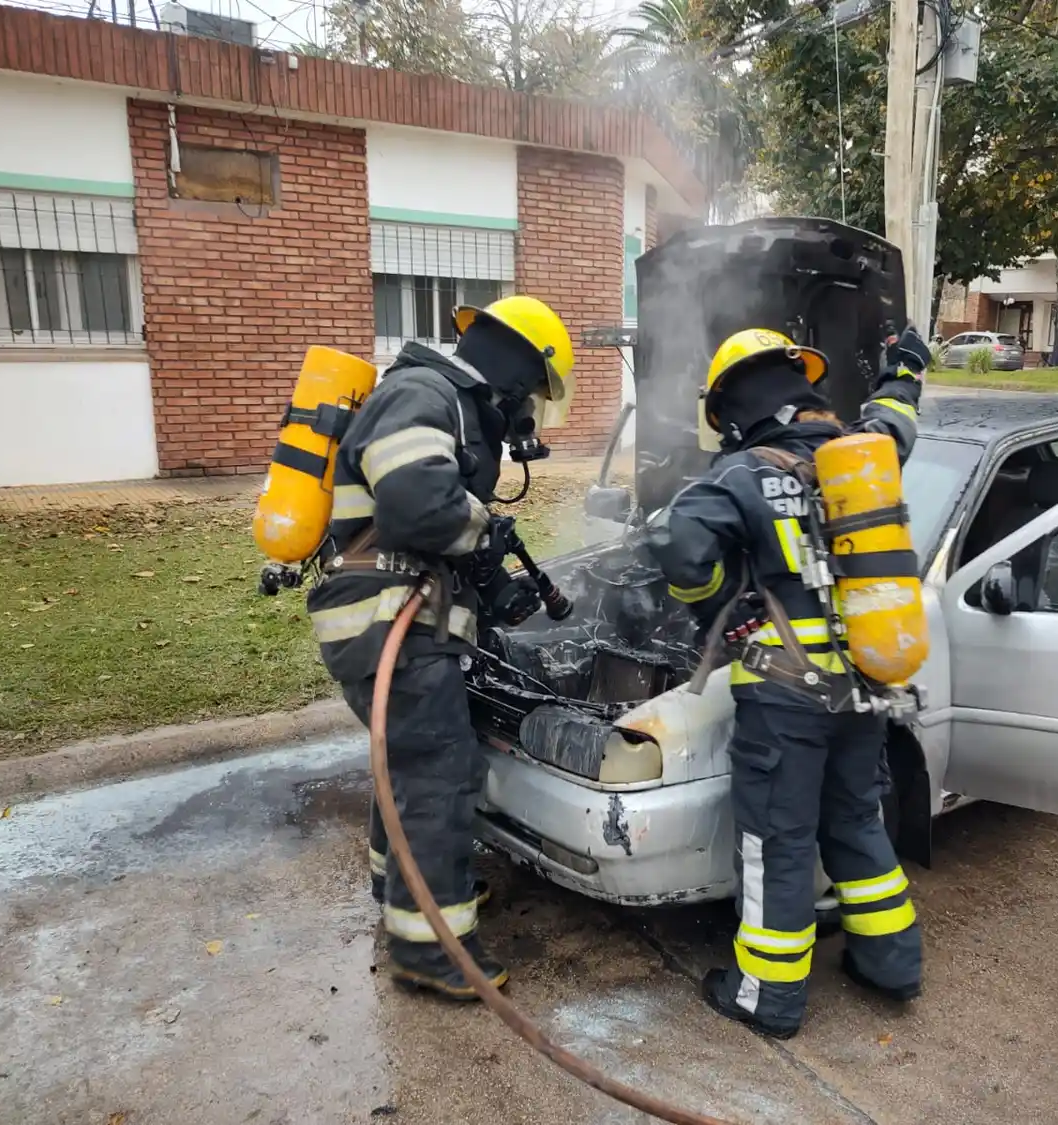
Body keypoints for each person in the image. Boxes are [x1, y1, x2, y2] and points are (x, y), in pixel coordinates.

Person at [643, 325, 929, 1039]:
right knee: (856, 822)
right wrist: (906, 367)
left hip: (783, 694)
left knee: (778, 841)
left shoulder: (739, 475)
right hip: (859, 687)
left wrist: (720, 604)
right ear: (800, 388)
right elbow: (896, 414)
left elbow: (681, 549)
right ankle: (891, 962)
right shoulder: (862, 454)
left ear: (734, 408)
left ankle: (766, 997)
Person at [307, 295, 574, 998]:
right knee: (437, 767)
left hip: (393, 612)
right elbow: (419, 505)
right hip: (385, 617)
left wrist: (492, 586)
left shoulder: (439, 397)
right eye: (534, 395)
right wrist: (484, 535)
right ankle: (431, 948)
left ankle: (402, 887)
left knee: (411, 758)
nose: (528, 414)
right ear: (519, 368)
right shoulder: (425, 393)